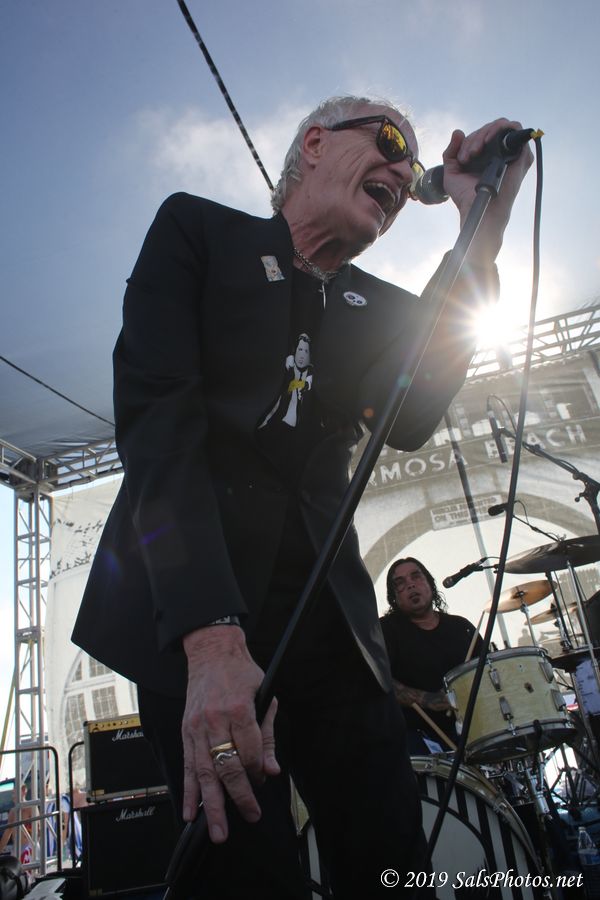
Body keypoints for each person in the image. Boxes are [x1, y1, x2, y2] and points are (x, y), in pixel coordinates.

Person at [72, 95, 532, 898]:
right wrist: (210, 639)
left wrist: (479, 220)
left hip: (332, 627)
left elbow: (413, 412)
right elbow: (158, 426)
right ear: (314, 143)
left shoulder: (376, 306)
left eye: (410, 163)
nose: (402, 168)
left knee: (389, 859)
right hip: (200, 610)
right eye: (388, 140)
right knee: (243, 873)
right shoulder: (199, 233)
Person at [380, 557, 483, 755]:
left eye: (416, 576)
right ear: (394, 597)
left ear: (430, 584)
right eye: (400, 583)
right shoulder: (385, 631)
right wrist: (429, 699)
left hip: (474, 731)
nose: (410, 584)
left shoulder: (461, 627)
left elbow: (489, 672)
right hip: (417, 740)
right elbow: (379, 681)